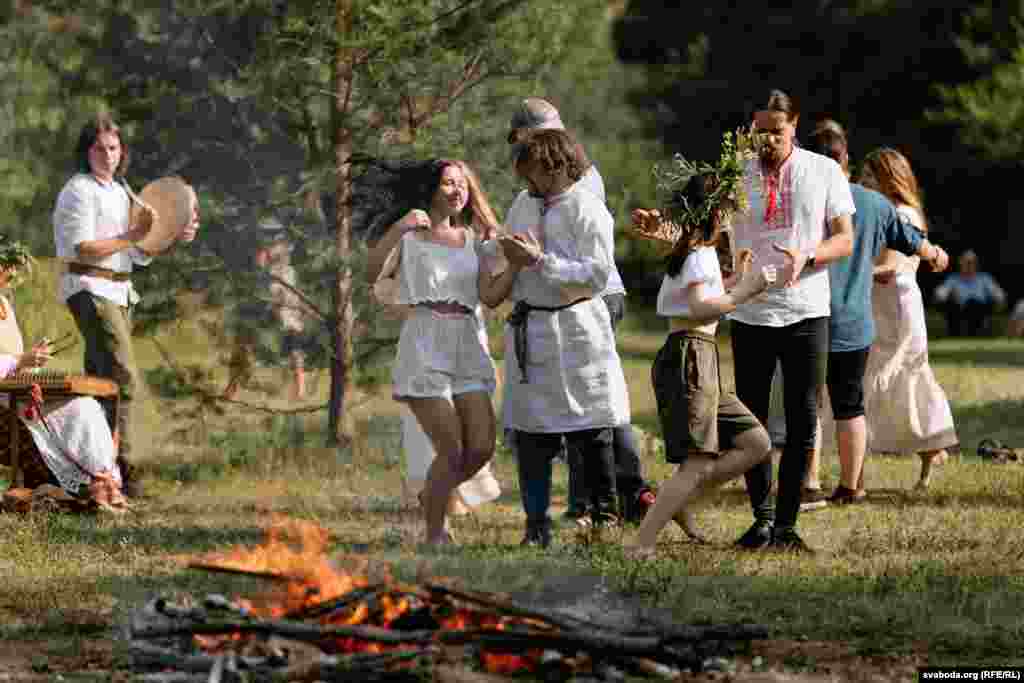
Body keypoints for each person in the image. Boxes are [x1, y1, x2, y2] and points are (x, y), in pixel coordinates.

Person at [506, 97, 656, 526]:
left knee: (591, 424)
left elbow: (594, 275)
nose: (527, 180)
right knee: (532, 429)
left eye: (531, 169)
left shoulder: (587, 205)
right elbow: (510, 248)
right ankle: (538, 525)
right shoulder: (523, 201)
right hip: (532, 325)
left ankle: (603, 513)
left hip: (578, 324)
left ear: (552, 164)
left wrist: (540, 261)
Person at [728, 89, 854, 553]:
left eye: (776, 133)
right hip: (750, 310)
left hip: (806, 311)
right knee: (751, 423)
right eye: (759, 133)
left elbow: (845, 239)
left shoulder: (822, 171)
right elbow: (712, 235)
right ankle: (760, 520)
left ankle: (786, 526)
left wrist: (809, 255)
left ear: (794, 126)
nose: (767, 141)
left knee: (803, 420)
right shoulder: (733, 175)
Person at [623, 170, 775, 557]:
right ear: (715, 210)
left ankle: (678, 500)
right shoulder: (696, 252)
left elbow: (705, 298)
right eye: (730, 207)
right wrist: (746, 289)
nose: (733, 216)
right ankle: (641, 543)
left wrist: (734, 278)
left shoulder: (697, 250)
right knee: (696, 460)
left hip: (701, 356)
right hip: (689, 356)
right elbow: (699, 308)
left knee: (755, 442)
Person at [796, 124, 950, 503]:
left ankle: (810, 483)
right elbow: (918, 246)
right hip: (855, 321)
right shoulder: (873, 204)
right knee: (850, 403)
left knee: (811, 402)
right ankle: (851, 487)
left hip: (805, 316)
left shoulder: (796, 201)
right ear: (845, 160)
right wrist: (936, 255)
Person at [364, 159, 514, 547]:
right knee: (451, 448)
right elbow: (371, 271)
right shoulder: (410, 239)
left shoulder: (472, 242)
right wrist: (399, 225)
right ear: (431, 189)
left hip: (466, 340)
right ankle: (435, 534)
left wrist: (516, 267)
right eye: (448, 183)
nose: (457, 190)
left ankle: (431, 498)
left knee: (480, 447)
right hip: (425, 340)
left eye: (462, 184)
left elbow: (490, 296)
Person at [52, 113, 199, 497]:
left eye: (114, 148)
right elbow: (83, 248)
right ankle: (132, 476)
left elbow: (136, 253)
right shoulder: (78, 191)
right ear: (87, 152)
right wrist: (132, 234)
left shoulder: (121, 192)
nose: (108, 155)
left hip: (118, 293)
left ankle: (94, 474)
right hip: (89, 288)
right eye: (99, 148)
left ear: (122, 151)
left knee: (101, 384)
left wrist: (170, 235)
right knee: (126, 380)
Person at [858, 148, 958, 489]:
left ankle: (930, 450)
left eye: (871, 176)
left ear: (889, 177)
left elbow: (889, 268)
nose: (863, 181)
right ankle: (930, 451)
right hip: (882, 303)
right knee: (891, 384)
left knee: (902, 379)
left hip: (897, 305)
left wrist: (849, 270)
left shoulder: (902, 214)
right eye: (863, 175)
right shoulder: (889, 210)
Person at [0, 242, 126, 510]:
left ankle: (102, 484)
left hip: (17, 392)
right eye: (5, 269)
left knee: (87, 406)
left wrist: (32, 360)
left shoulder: (5, 305)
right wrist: (20, 360)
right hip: (4, 401)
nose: (10, 275)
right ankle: (93, 487)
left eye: (11, 270)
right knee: (79, 410)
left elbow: (14, 362)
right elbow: (10, 361)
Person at [933, 249, 1006, 337]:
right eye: (966, 262)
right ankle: (955, 335)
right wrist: (942, 296)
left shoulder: (984, 278)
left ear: (976, 264)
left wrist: (999, 299)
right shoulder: (953, 279)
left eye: (971, 262)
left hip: (979, 310)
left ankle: (976, 334)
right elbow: (941, 293)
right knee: (952, 307)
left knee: (974, 305)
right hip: (959, 310)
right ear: (961, 263)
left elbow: (998, 293)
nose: (969, 265)